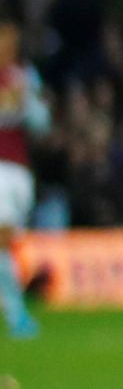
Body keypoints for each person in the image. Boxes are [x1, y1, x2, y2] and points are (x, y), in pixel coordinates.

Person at [0, 22, 45, 339]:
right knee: (2, 242)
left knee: (6, 242)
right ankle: (17, 315)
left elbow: (41, 122)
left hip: (18, 171)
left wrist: (26, 100)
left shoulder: (23, 76)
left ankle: (16, 311)